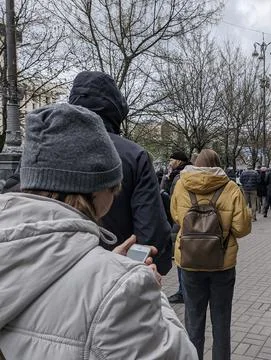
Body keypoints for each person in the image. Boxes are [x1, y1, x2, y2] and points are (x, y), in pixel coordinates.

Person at [0, 103, 197, 359]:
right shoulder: (122, 290)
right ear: (96, 189)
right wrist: (146, 289)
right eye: (114, 187)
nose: (116, 194)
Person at [69, 71, 172, 276]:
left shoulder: (42, 153)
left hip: (52, 284)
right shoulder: (132, 155)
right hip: (115, 279)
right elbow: (151, 234)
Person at [171, 149, 251, 360]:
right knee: (221, 323)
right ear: (218, 164)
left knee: (193, 322)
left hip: (189, 261)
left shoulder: (181, 184)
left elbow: (176, 217)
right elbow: (242, 228)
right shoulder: (231, 187)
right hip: (222, 264)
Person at [163, 151, 191, 304]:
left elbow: (169, 198)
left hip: (179, 220)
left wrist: (166, 179)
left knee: (180, 256)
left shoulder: (179, 176)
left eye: (172, 159)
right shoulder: (184, 172)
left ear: (179, 161)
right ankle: (187, 290)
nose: (170, 161)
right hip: (188, 220)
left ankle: (183, 292)